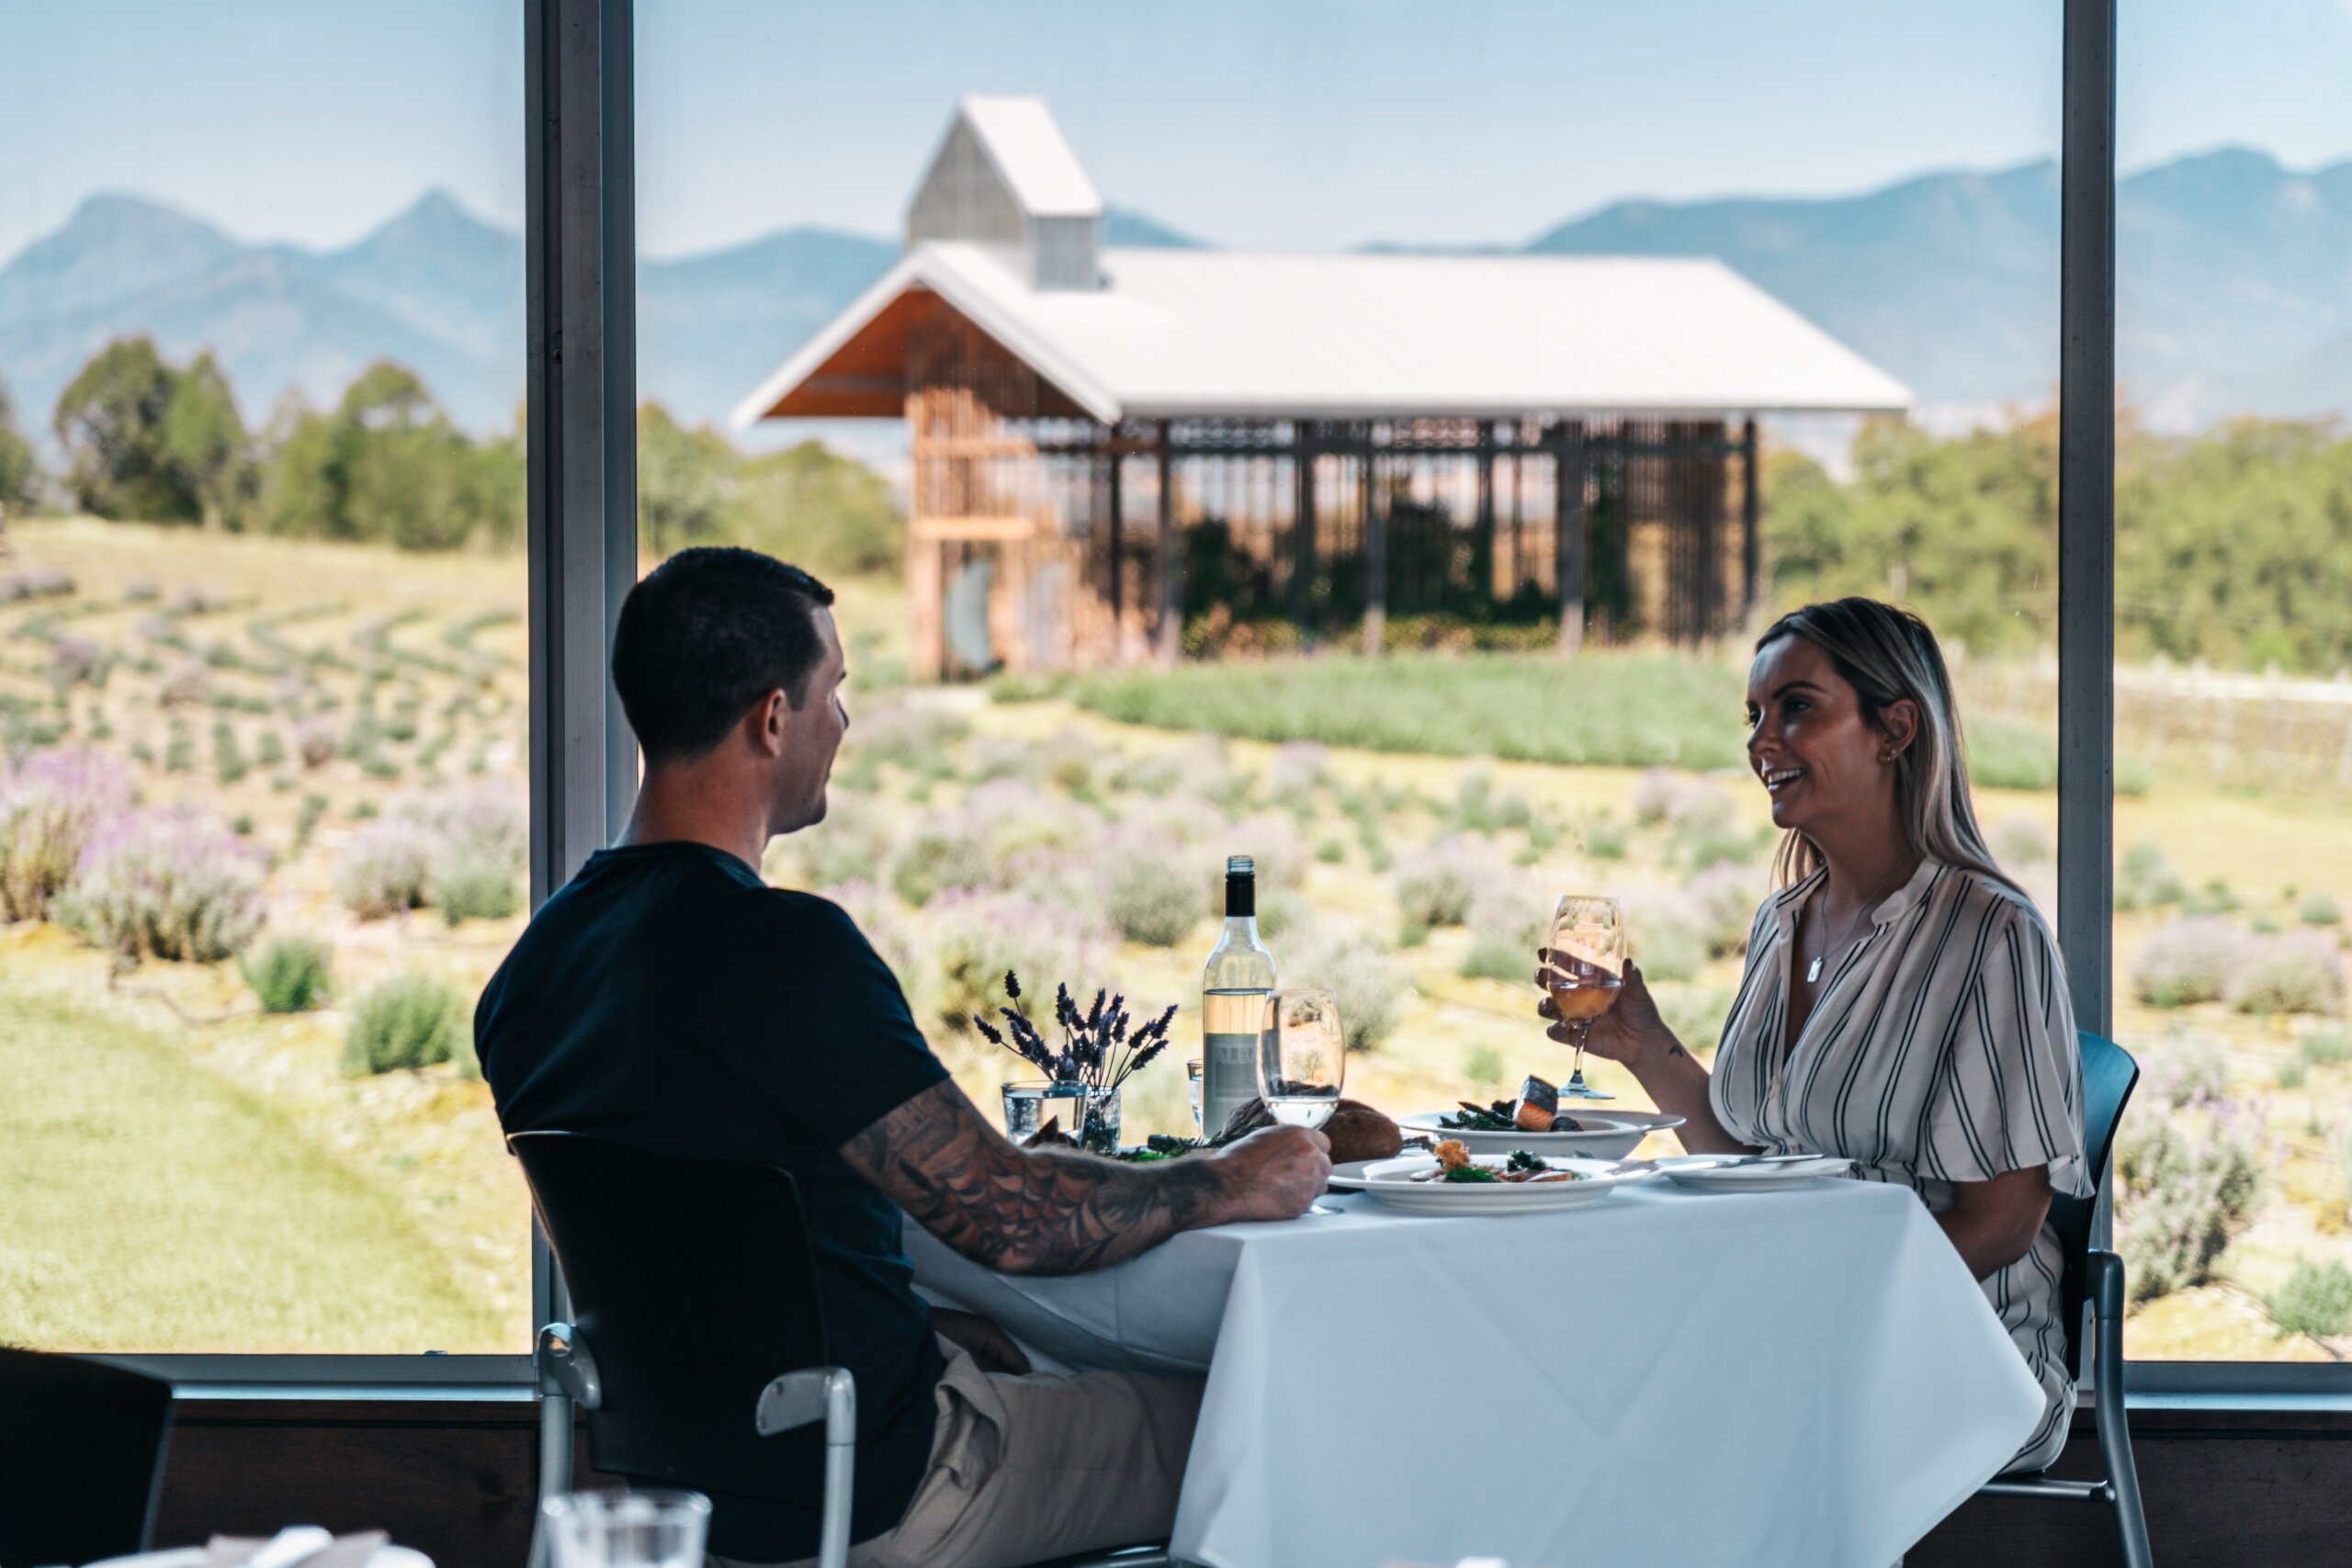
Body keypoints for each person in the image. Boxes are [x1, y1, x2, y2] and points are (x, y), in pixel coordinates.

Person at [475, 547, 1331, 1568]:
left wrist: (923, 1337)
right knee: (1281, 1421)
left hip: (704, 1486)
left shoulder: (535, 971)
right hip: (885, 1485)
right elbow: (1015, 1222)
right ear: (772, 718)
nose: (845, 722)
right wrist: (1229, 1176)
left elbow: (702, 1256)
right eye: (835, 691)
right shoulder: (778, 951)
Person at [1538, 597, 2089, 1474]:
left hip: (1954, 1349)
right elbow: (1753, 1159)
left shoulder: (1991, 933)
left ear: (1895, 727)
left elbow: (2003, 1221)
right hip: (1783, 1314)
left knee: (1656, 1419)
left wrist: (1817, 1308)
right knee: (1568, 1375)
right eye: (1755, 715)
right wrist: (1646, 1046)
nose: (1763, 739)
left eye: (1798, 706)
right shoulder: (1782, 920)